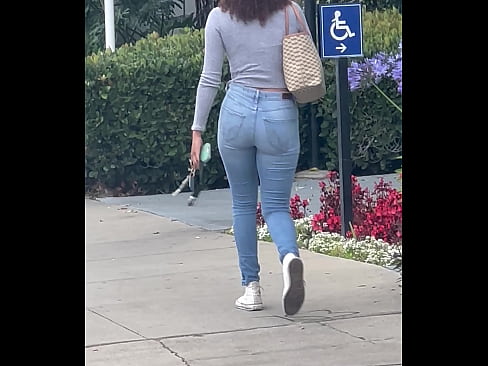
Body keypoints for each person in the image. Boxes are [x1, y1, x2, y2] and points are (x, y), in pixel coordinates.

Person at [190, 0, 309, 316]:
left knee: (242, 204)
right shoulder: (292, 11)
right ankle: (288, 258)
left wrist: (197, 130)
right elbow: (307, 60)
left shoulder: (219, 17)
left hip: (236, 111)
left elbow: (210, 77)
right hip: (279, 111)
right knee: (275, 206)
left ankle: (251, 289)